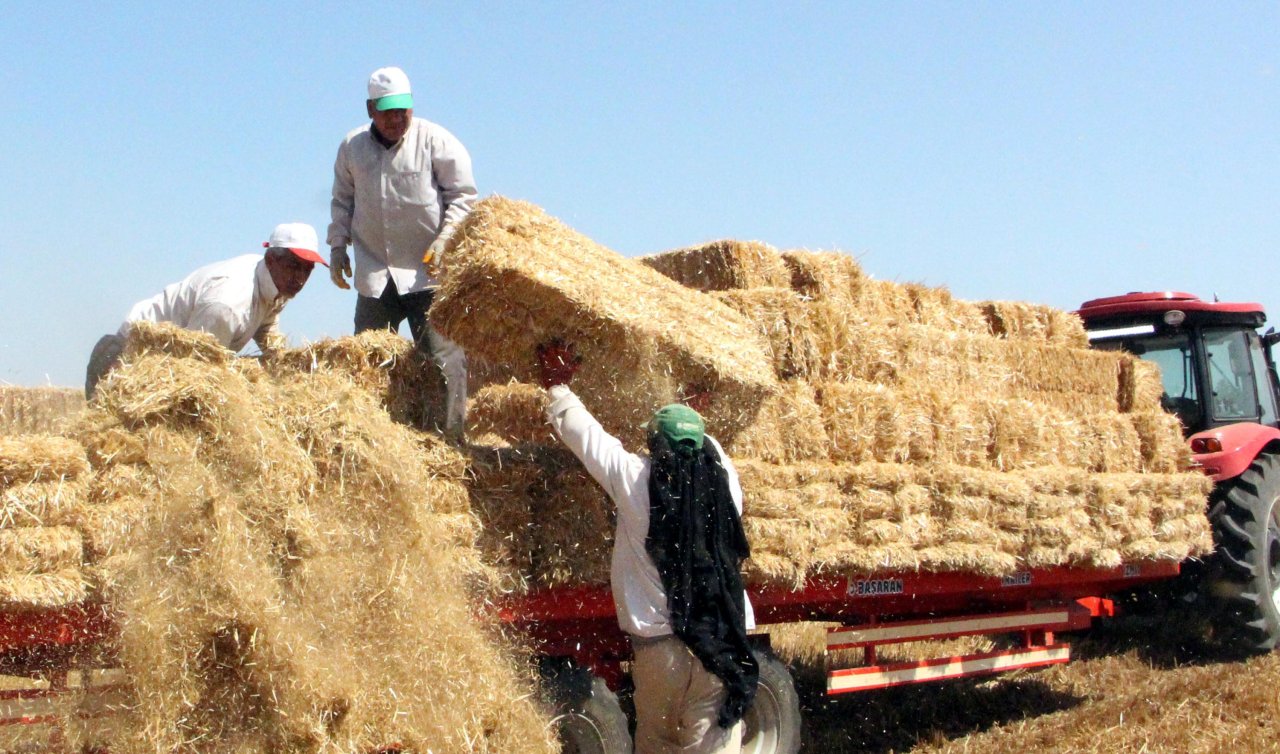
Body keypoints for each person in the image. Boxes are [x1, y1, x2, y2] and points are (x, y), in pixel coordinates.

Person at [536, 340, 758, 754]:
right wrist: (692, 410)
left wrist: (558, 385)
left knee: (658, 743)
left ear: (655, 446)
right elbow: (704, 445)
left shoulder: (638, 483)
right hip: (724, 643)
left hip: (662, 652)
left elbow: (588, 439)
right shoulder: (725, 482)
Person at [327, 65, 477, 442]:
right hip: (375, 271)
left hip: (428, 272)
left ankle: (451, 438)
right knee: (368, 360)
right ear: (370, 110)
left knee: (443, 361)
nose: (396, 119)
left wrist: (446, 239)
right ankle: (373, 438)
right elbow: (342, 201)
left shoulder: (436, 141)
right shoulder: (352, 148)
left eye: (403, 110)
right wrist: (337, 245)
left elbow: (463, 196)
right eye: (387, 111)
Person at [85, 222, 325, 399]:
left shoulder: (276, 283)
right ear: (272, 259)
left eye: (307, 270)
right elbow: (194, 368)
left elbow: (267, 322)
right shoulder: (226, 305)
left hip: (165, 365)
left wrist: (285, 364)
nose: (301, 278)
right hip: (127, 361)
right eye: (294, 266)